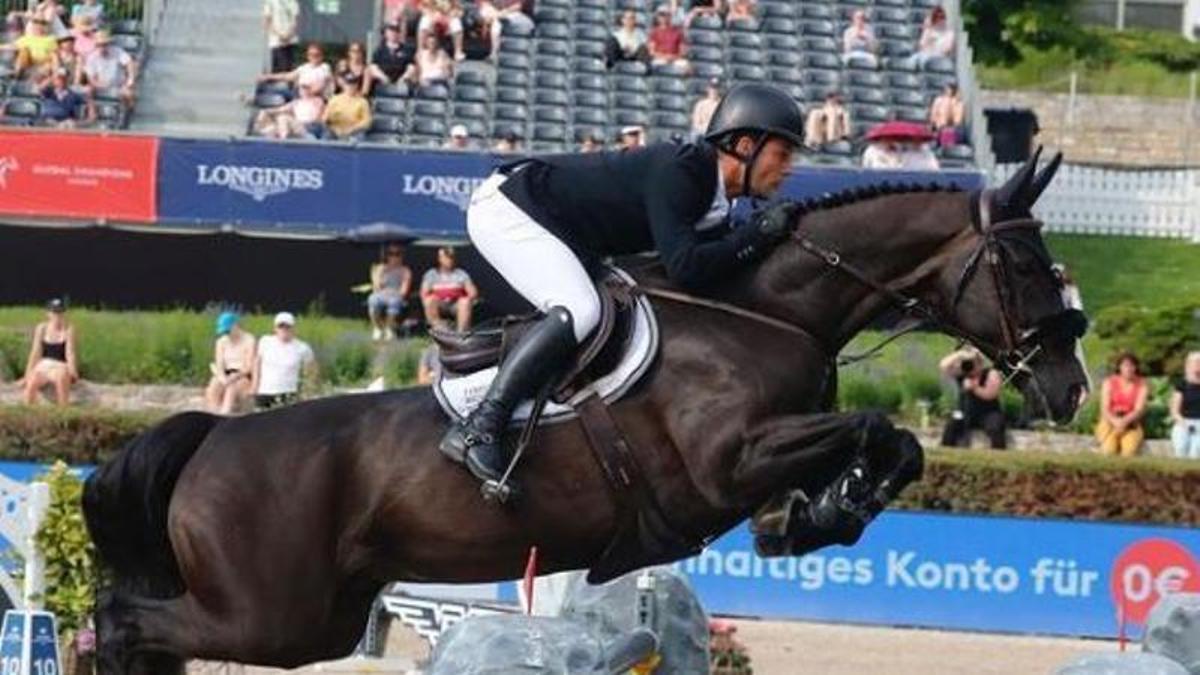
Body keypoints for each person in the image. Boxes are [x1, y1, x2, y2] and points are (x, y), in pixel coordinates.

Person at [439, 83, 805, 487]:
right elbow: (686, 268)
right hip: (512, 208)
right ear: (745, 145)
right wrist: (756, 236)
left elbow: (711, 269)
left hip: (562, 230)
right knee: (580, 310)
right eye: (783, 153)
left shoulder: (717, 202)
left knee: (608, 311)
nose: (788, 167)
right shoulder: (685, 170)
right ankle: (480, 427)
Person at [938, 348, 1006, 449]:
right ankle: (945, 450)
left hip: (988, 413)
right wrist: (961, 355)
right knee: (951, 424)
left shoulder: (991, 373)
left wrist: (975, 388)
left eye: (974, 363)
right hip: (964, 412)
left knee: (995, 427)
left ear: (980, 364)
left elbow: (991, 394)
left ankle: (999, 453)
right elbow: (943, 366)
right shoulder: (963, 373)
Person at [251, 312, 316, 410]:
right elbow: (257, 363)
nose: (284, 330)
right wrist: (254, 385)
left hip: (288, 393)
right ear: (275, 328)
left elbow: (311, 370)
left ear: (293, 328)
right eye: (281, 326)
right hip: (264, 391)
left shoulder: (302, 348)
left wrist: (307, 392)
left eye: (287, 327)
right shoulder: (265, 341)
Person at [21, 298, 78, 406]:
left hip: (60, 365)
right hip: (44, 365)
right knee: (31, 382)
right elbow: (35, 352)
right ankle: (27, 411)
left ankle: (63, 411)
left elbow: (70, 352)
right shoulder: (41, 328)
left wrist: (73, 370)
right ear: (48, 313)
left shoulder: (69, 329)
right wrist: (27, 373)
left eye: (60, 312)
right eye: (54, 312)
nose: (57, 315)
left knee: (61, 379)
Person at [1095, 352, 1148, 458]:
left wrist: (1124, 422)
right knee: (1109, 449)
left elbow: (1139, 410)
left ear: (1136, 367)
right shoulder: (1109, 382)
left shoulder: (1142, 385)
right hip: (1110, 420)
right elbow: (1104, 408)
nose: (1129, 369)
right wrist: (1115, 421)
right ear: (1119, 367)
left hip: (1131, 423)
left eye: (1132, 365)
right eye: (1125, 365)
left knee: (1129, 451)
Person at [205, 312, 257, 415]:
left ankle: (225, 414)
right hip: (226, 373)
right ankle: (213, 413)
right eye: (224, 332)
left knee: (231, 389)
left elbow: (248, 366)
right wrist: (223, 377)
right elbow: (219, 364)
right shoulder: (221, 342)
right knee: (213, 387)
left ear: (235, 326)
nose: (226, 335)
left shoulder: (249, 340)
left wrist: (234, 377)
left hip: (242, 375)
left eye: (228, 331)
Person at [421, 247, 478, 332]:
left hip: (455, 304)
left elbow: (473, 292)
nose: (449, 260)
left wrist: (468, 298)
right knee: (429, 300)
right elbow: (423, 292)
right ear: (440, 259)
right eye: (446, 257)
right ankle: (439, 330)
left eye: (451, 257)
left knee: (465, 302)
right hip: (439, 303)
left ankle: (461, 333)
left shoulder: (461, 273)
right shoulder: (431, 274)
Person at [368, 244, 413, 340]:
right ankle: (378, 328)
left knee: (394, 301)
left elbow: (404, 291)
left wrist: (396, 294)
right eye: (391, 254)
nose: (394, 257)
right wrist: (376, 275)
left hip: (396, 294)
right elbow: (376, 288)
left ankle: (389, 328)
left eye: (397, 254)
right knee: (372, 299)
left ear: (401, 256)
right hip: (381, 293)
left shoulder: (405, 270)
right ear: (387, 256)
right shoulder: (381, 268)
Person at [81, 30, 136, 106]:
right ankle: (92, 111)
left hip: (118, 85)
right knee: (88, 90)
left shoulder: (117, 51)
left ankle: (128, 112)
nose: (102, 47)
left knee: (129, 94)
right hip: (100, 86)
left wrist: (130, 79)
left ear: (108, 44)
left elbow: (129, 63)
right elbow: (91, 79)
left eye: (104, 44)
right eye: (99, 45)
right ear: (96, 45)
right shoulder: (91, 57)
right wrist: (100, 84)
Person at [258, 43, 333, 98]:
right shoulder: (304, 67)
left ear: (322, 56)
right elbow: (287, 76)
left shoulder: (324, 67)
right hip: (298, 93)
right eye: (310, 54)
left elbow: (319, 86)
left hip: (312, 98)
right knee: (266, 88)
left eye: (317, 55)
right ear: (307, 56)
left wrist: (304, 88)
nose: (313, 57)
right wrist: (268, 76)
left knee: (279, 92)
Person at [253, 82, 324, 139]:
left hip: (309, 127)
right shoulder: (296, 103)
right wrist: (264, 111)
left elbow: (319, 116)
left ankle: (283, 142)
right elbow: (278, 110)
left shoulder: (317, 101)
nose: (304, 91)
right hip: (296, 126)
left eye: (306, 89)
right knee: (272, 128)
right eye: (302, 89)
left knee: (283, 118)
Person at [370, 22, 417, 89]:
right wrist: (383, 78)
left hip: (402, 84)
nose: (394, 33)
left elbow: (411, 68)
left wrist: (403, 78)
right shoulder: (379, 50)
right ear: (386, 33)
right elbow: (373, 67)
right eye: (391, 30)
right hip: (383, 84)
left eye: (396, 30)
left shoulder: (406, 50)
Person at [1171, 352, 1200, 459]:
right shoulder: (1182, 384)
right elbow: (1174, 411)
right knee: (1180, 448)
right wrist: (1185, 424)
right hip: (1183, 422)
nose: (1197, 365)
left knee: (1196, 452)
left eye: (1199, 362)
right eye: (1195, 363)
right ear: (1188, 365)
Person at [911, 6, 954, 71]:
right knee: (913, 59)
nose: (940, 20)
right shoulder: (929, 30)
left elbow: (947, 50)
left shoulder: (949, 33)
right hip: (926, 54)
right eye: (937, 17)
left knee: (925, 61)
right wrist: (928, 36)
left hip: (939, 57)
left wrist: (934, 46)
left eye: (942, 17)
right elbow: (921, 45)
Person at [264, 0, 300, 73]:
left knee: (289, 69)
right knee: (277, 70)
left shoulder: (293, 2)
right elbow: (267, 22)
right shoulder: (270, 2)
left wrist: (289, 34)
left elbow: (296, 20)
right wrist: (279, 35)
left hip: (291, 41)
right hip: (276, 42)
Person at [929, 83, 965, 147]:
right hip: (939, 128)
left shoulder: (957, 103)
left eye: (950, 90)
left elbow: (958, 120)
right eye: (946, 90)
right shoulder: (938, 100)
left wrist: (955, 103)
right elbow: (933, 116)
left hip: (952, 129)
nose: (948, 92)